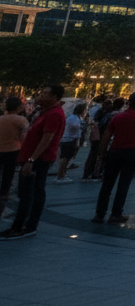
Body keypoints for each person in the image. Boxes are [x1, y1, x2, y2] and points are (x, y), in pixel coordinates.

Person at [0, 85, 62, 240]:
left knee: (31, 192)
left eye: (45, 93)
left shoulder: (54, 114)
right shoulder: (44, 112)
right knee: (28, 191)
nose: (40, 95)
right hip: (31, 157)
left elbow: (46, 139)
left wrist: (31, 160)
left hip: (39, 159)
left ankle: (23, 226)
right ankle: (24, 225)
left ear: (54, 97)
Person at [92, 90, 135, 224]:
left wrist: (101, 153)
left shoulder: (118, 117)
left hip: (114, 152)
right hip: (132, 152)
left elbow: (106, 136)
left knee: (107, 185)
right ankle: (116, 214)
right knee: (123, 184)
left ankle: (99, 214)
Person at [0, 96, 27, 204]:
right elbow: (24, 138)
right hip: (13, 150)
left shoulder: (1, 118)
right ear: (19, 107)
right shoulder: (21, 120)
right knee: (8, 173)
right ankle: (3, 193)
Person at [55, 103, 84, 183]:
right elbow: (75, 127)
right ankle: (60, 176)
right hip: (69, 140)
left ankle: (62, 174)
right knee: (65, 158)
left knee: (67, 158)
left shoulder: (73, 117)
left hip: (68, 139)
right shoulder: (74, 118)